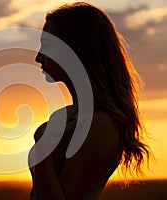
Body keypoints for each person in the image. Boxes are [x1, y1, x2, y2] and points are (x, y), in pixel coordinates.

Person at [28, 2, 151, 200]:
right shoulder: (68, 115)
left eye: (48, 46)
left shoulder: (99, 124)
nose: (38, 57)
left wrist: (42, 149)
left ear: (76, 49)